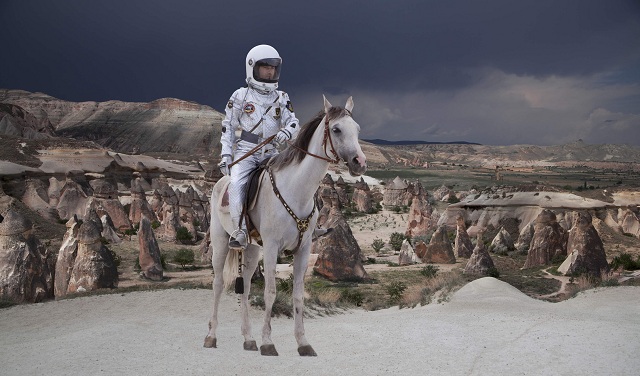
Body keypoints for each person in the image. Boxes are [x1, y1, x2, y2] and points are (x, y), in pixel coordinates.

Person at [218, 44, 299, 249]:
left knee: (296, 179)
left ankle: (302, 225)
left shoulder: (282, 97)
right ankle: (240, 231)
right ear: (252, 67)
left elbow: (293, 122)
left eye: (273, 67)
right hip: (246, 151)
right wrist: (226, 154)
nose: (270, 71)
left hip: (273, 152)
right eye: (265, 67)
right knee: (237, 184)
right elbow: (228, 126)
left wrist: (286, 132)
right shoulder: (240, 96)